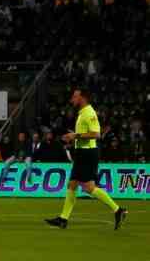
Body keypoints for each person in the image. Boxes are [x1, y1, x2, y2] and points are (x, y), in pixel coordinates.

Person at [46, 88, 127, 230]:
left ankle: (118, 210)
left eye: (75, 96)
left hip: (88, 153)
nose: (72, 99)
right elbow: (86, 134)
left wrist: (75, 136)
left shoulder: (89, 113)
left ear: (82, 98)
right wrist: (73, 136)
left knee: (88, 187)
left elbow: (96, 134)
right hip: (83, 152)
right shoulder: (83, 113)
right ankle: (63, 219)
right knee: (72, 185)